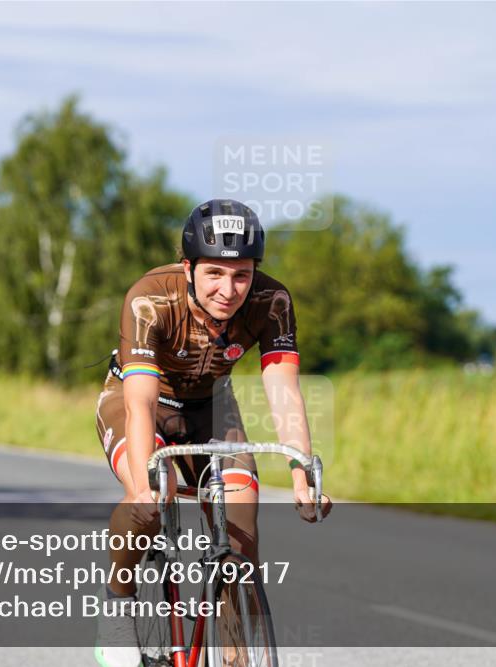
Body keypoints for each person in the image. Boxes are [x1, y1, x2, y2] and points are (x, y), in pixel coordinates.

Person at [93, 199, 332, 667]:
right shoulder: (149, 298)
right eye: (214, 275)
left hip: (212, 407)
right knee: (148, 505)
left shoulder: (273, 302)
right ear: (188, 268)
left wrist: (301, 468)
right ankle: (118, 604)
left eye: (241, 275)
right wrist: (143, 487)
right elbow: (139, 401)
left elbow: (282, 387)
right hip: (141, 402)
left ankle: (235, 658)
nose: (229, 290)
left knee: (241, 538)